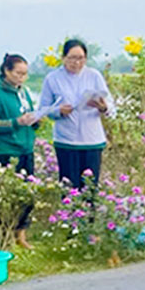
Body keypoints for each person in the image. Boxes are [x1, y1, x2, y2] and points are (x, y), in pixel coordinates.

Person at [39, 39, 113, 188]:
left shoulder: (94, 76)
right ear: (63, 58)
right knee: (69, 188)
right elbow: (43, 108)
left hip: (92, 141)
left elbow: (110, 106)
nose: (77, 62)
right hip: (66, 141)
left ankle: (91, 212)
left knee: (90, 189)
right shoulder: (52, 79)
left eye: (81, 58)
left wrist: (103, 107)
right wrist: (58, 111)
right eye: (72, 58)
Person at [0, 54, 40, 247]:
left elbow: (30, 116)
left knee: (27, 195)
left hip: (26, 147)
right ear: (7, 71)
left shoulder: (23, 93)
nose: (22, 78)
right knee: (8, 196)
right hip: (7, 150)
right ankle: (5, 234)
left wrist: (36, 120)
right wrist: (16, 123)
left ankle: (22, 234)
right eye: (18, 73)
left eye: (25, 74)